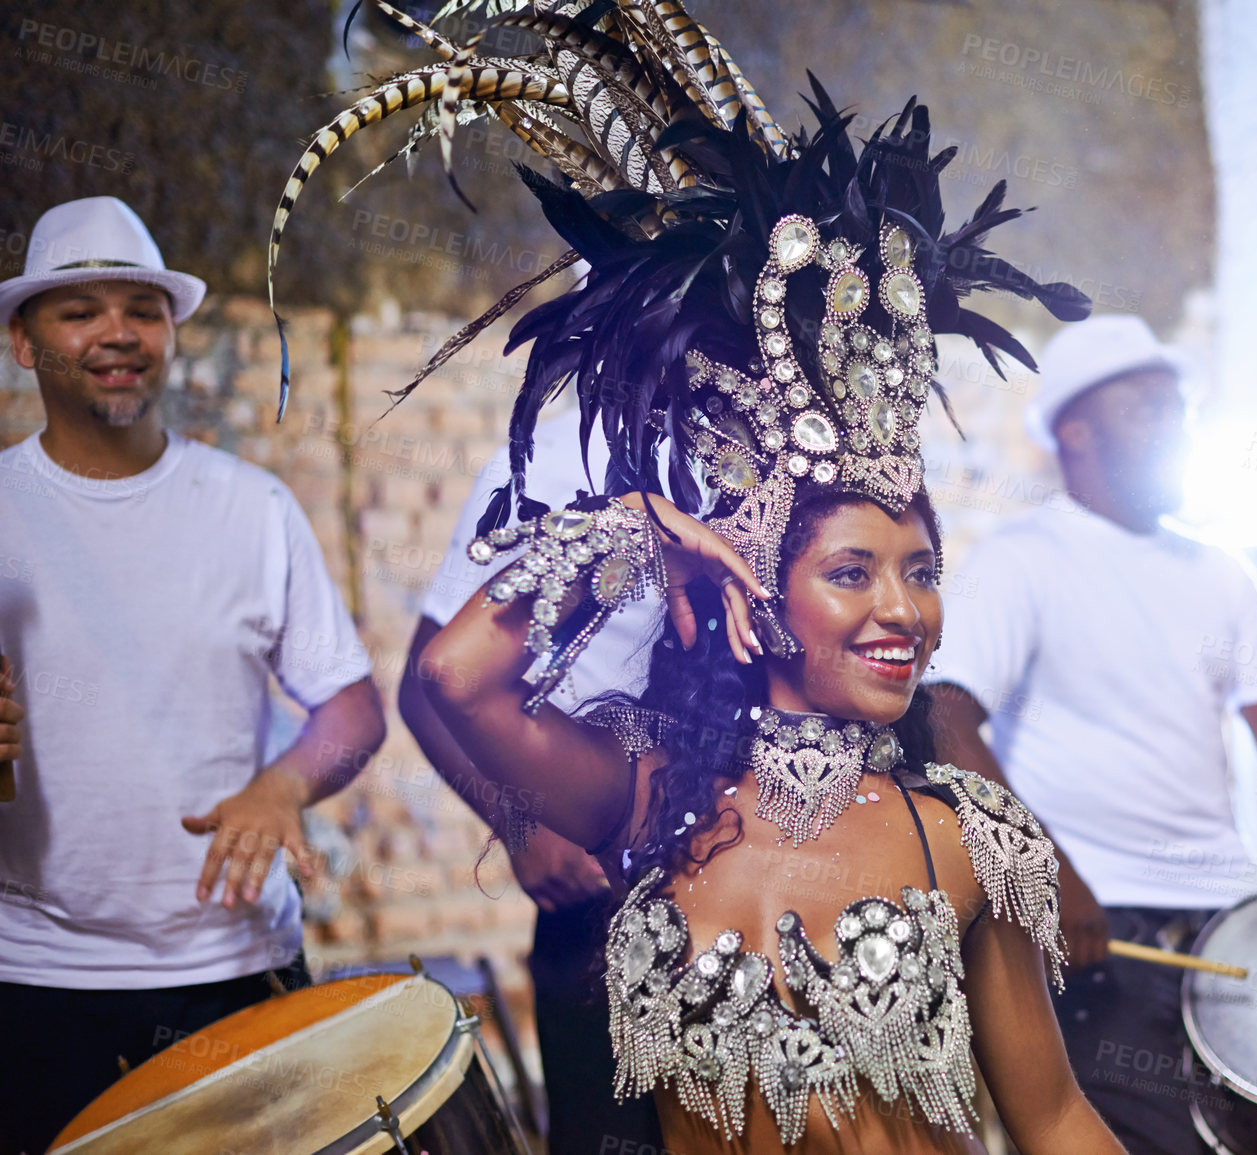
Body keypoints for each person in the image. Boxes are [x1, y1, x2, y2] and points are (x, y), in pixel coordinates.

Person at [271, 3, 1121, 1148]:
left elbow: (1058, 1115)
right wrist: (634, 529)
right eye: (854, 573)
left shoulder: (959, 833)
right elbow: (462, 680)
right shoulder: (651, 796)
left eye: (921, 571)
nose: (904, 611)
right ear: (759, 598)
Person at [927, 313, 1257, 1155]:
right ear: (1076, 430)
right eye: (1149, 411)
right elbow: (944, 718)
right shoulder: (1024, 559)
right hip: (1097, 929)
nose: (1177, 430)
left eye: (1181, 411)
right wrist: (1049, 874)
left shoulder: (1222, 571)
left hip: (1226, 916)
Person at [0, 196, 385, 1153]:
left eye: (141, 306)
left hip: (233, 967)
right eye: (77, 310)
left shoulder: (250, 509)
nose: (116, 333)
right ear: (23, 341)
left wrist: (281, 785)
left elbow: (351, 706)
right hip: (32, 980)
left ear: (171, 330)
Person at [400, 405, 666, 1153]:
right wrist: (522, 825)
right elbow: (429, 683)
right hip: (600, 898)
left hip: (764, 880)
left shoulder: (799, 448)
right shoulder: (553, 458)